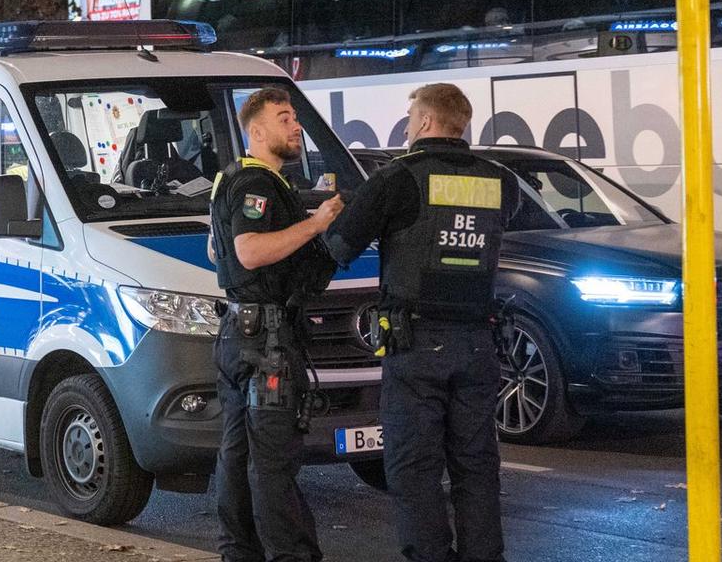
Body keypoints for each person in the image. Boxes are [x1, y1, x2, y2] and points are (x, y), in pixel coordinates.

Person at [322, 83, 512, 562]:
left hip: (416, 344)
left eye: (411, 117)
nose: (407, 127)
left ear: (426, 122)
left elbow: (341, 246)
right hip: (478, 343)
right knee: (477, 466)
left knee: (414, 469)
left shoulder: (398, 178)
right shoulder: (500, 180)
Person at [209, 87, 342, 562]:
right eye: (285, 118)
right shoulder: (257, 185)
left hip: (239, 334)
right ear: (258, 132)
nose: (296, 125)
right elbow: (249, 251)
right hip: (265, 342)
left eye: (295, 118)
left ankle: (239, 553)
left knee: (238, 454)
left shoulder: (233, 179)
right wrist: (316, 223)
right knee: (272, 461)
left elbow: (218, 253)